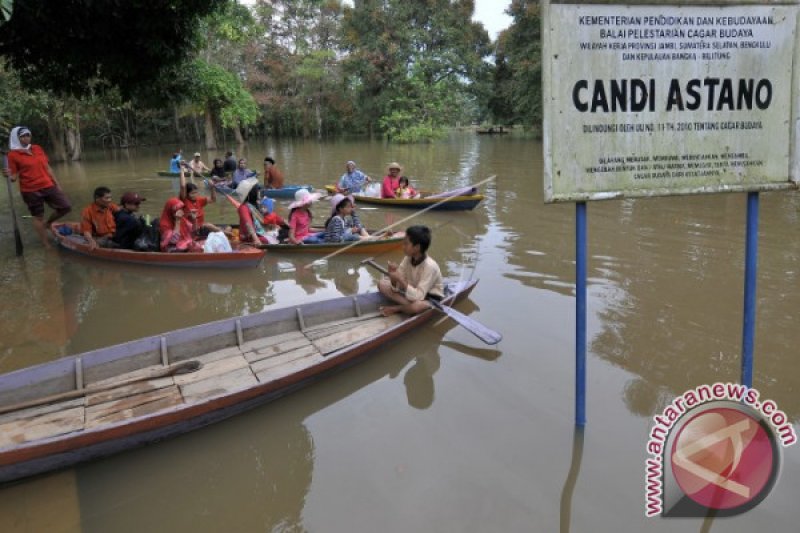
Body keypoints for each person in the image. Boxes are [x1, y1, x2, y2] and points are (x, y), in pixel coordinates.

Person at [3, 126, 72, 248]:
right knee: (38, 216)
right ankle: (46, 245)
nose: (26, 138)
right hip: (30, 190)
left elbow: (47, 167)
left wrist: (57, 184)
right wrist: (7, 174)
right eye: (22, 136)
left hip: (48, 185)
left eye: (28, 135)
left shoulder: (37, 148)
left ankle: (48, 224)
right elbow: (13, 177)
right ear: (17, 138)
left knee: (65, 206)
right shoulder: (12, 155)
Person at [378, 225, 444, 316]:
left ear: (416, 247)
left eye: (406, 244)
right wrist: (393, 276)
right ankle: (408, 307)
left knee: (416, 306)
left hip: (429, 298)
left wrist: (400, 279)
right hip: (412, 292)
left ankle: (398, 308)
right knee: (382, 284)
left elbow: (419, 296)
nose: (403, 246)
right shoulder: (408, 258)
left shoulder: (430, 266)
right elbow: (395, 287)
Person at [235, 178, 286, 245]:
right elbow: (248, 224)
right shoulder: (243, 207)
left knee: (284, 231)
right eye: (257, 190)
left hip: (261, 232)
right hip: (249, 237)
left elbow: (275, 217)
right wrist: (256, 240)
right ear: (251, 193)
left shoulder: (257, 204)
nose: (259, 192)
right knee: (270, 239)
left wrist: (288, 225)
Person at [179, 165, 224, 237]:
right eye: (192, 193)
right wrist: (182, 170)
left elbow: (213, 200)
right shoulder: (184, 200)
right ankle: (224, 233)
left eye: (196, 192)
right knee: (208, 225)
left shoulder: (198, 199)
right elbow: (183, 186)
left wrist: (212, 187)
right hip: (190, 230)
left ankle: (222, 231)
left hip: (201, 228)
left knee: (224, 227)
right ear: (186, 194)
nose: (195, 195)